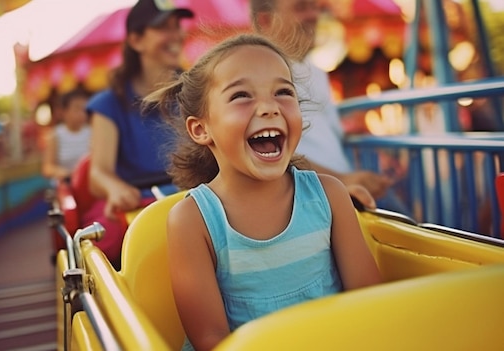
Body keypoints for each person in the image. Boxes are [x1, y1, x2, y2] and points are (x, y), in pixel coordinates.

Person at [145, 33, 381, 351]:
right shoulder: (192, 220)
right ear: (202, 129)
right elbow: (211, 340)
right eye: (242, 95)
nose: (270, 107)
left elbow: (371, 304)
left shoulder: (330, 196)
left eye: (283, 92)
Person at [249, 0, 401, 210]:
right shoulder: (256, 72)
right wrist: (342, 180)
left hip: (336, 196)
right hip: (306, 204)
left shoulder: (315, 71)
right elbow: (264, 154)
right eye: (301, 8)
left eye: (315, 7)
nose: (313, 15)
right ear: (265, 20)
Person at [85, 0, 194, 269]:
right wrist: (115, 188)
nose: (176, 35)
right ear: (136, 40)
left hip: (190, 197)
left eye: (177, 26)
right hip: (138, 204)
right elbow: (98, 173)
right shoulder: (108, 104)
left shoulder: (195, 94)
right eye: (163, 28)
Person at [41, 88, 91, 182]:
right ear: (64, 112)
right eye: (77, 109)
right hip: (66, 184)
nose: (82, 113)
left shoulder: (92, 132)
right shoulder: (55, 135)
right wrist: (68, 174)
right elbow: (48, 168)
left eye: (84, 109)